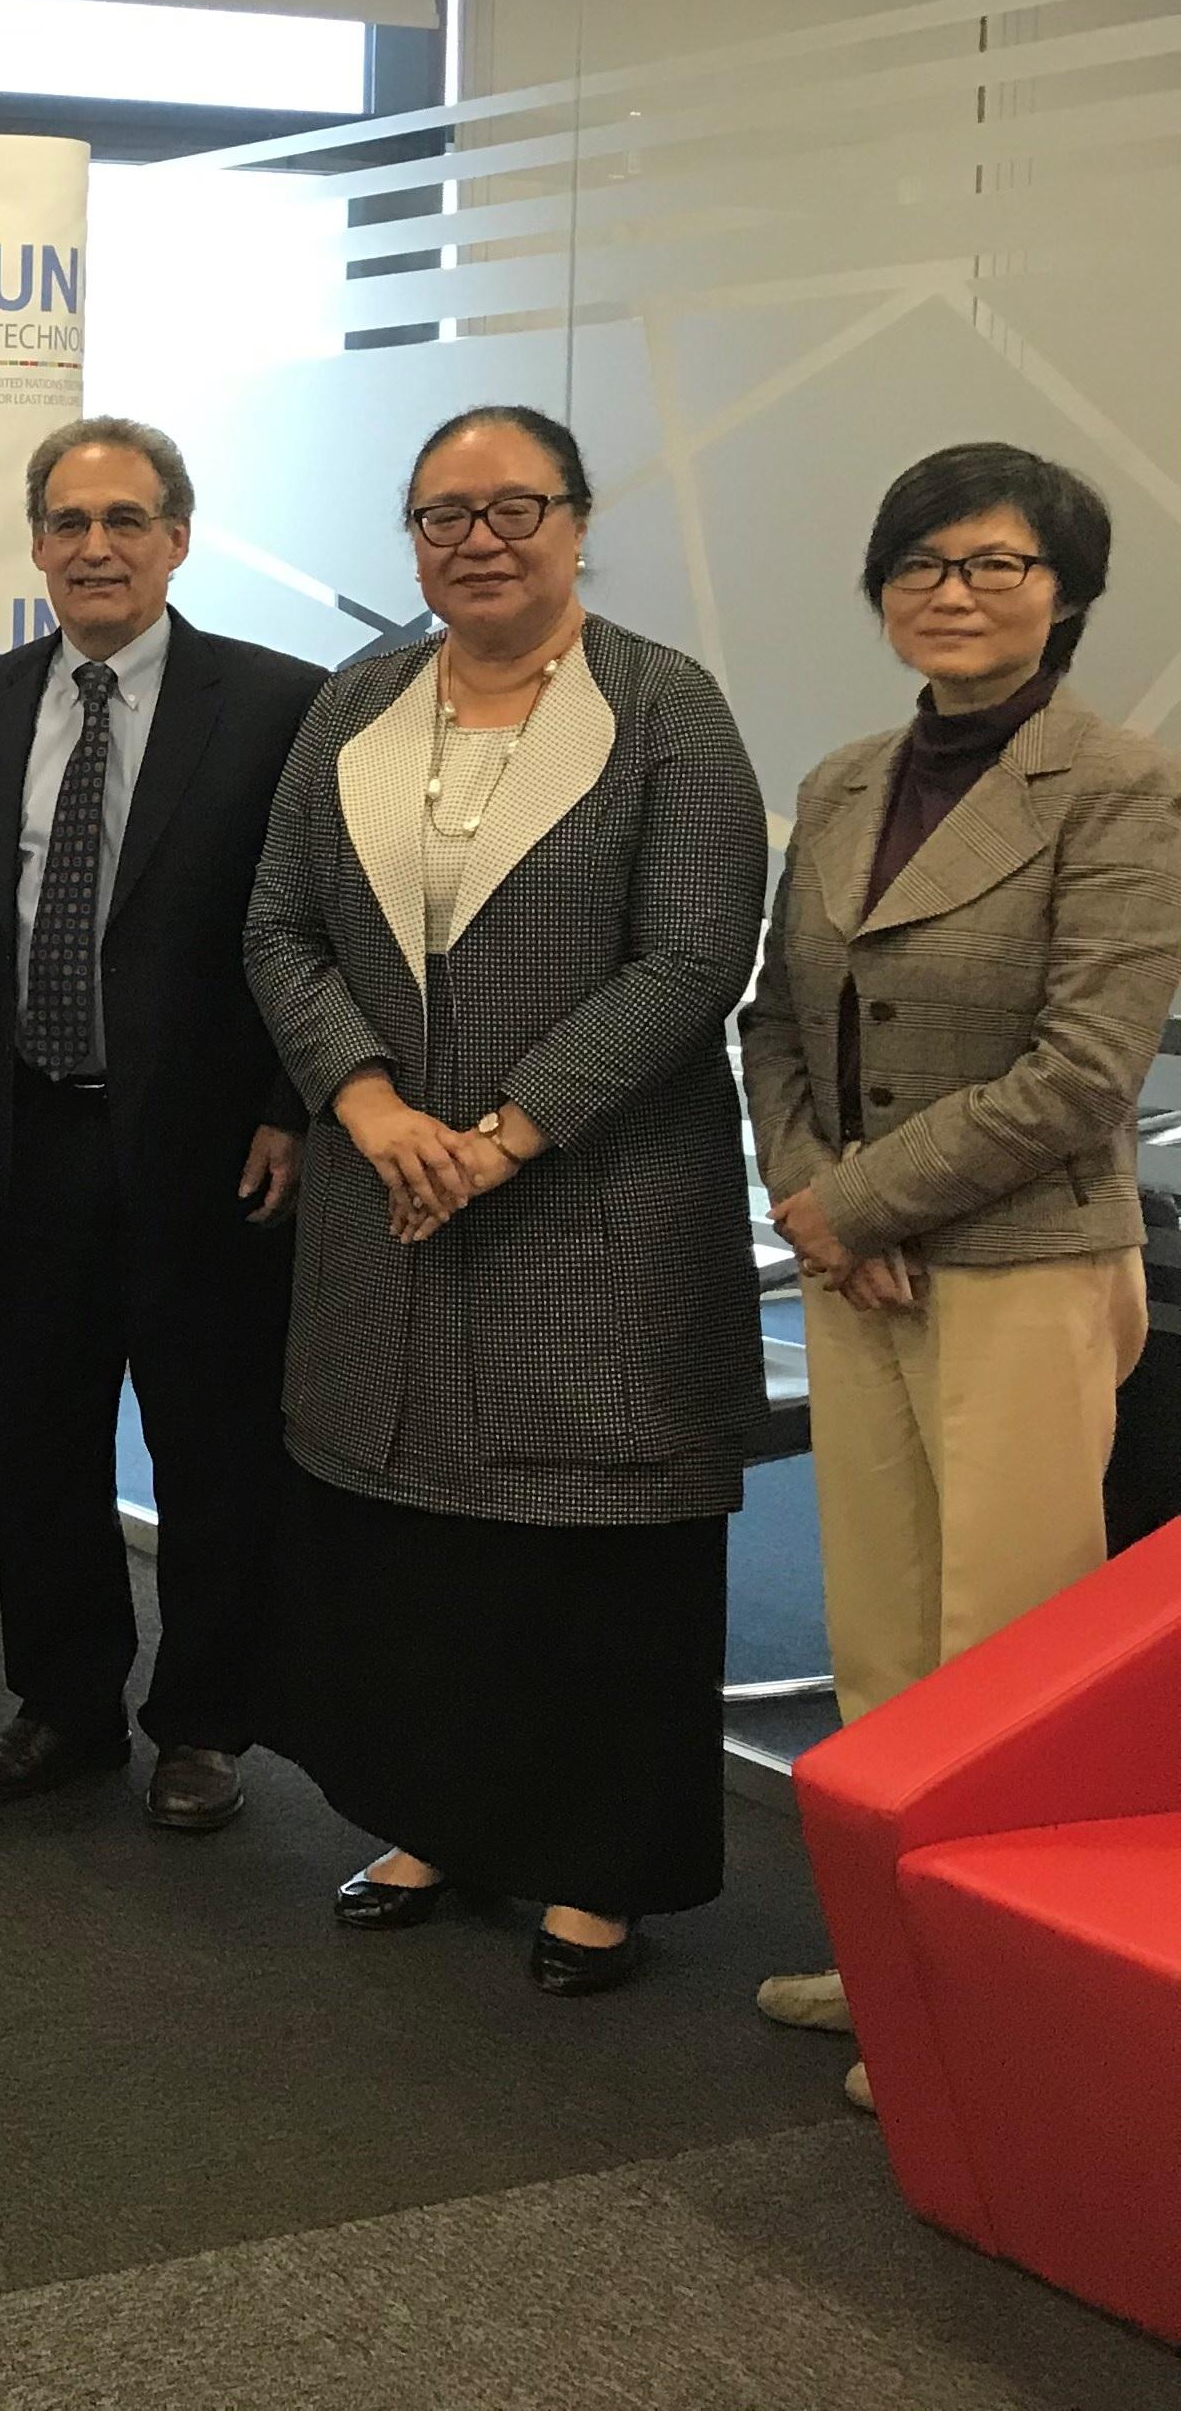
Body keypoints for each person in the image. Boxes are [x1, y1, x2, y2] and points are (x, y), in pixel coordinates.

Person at [241, 403, 768, 1996]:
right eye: (442, 514)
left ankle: (598, 1870)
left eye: (512, 507)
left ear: (579, 521)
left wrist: (507, 1133)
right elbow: (279, 928)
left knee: (588, 1545)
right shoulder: (357, 700)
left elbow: (694, 954)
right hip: (387, 1187)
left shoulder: (668, 708)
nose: (477, 538)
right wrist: (371, 1102)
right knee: (411, 1539)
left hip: (593, 1200)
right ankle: (434, 1818)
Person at [738, 442, 1181, 2087]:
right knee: (880, 1639)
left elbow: (1084, 1068)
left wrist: (862, 1205)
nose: (953, 590)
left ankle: (986, 1999)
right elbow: (772, 1017)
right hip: (857, 1268)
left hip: (1016, 1266)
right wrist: (811, 1197)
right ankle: (883, 1956)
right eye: (920, 564)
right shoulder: (851, 777)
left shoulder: (1119, 783)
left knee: (1001, 1644)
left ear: (1063, 591)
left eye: (994, 562)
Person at [0, 419, 323, 1833]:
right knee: (37, 1435)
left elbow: (318, 925)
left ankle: (207, 1722)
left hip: (215, 1145)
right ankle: (66, 1706)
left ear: (176, 537)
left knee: (214, 1444)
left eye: (126, 520)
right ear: (36, 543)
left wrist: (294, 1104)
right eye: (69, 521)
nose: (96, 547)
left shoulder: (281, 702)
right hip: (30, 1132)